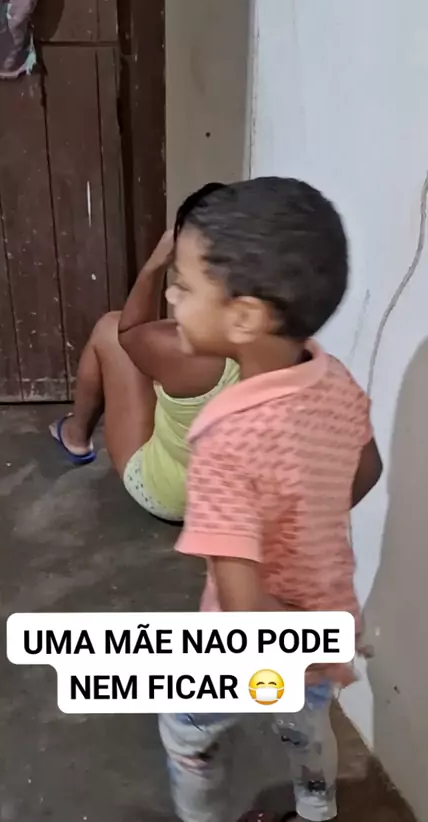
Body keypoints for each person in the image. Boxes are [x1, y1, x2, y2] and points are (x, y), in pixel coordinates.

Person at [158, 177, 383, 822]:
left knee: (183, 728)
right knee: (305, 726)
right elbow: (367, 469)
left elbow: (242, 610)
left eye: (184, 286)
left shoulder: (225, 438)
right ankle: (316, 812)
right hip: (330, 624)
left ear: (245, 317)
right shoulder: (332, 378)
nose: (171, 297)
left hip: (257, 645)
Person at [50, 184, 239, 523]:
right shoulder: (282, 338)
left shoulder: (188, 350)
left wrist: (155, 265)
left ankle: (76, 436)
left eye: (183, 283)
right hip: (235, 501)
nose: (174, 295)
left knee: (109, 328)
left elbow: (129, 334)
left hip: (173, 496)